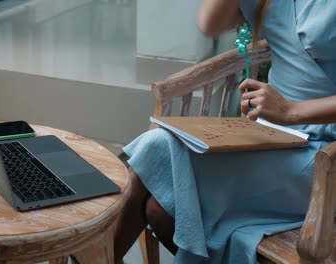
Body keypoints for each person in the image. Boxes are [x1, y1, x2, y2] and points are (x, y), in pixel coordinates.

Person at [113, 0, 336, 263]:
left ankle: (94, 257)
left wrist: (291, 111)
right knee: (158, 206)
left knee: (156, 171)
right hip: (268, 134)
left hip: (324, 153)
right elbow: (211, 23)